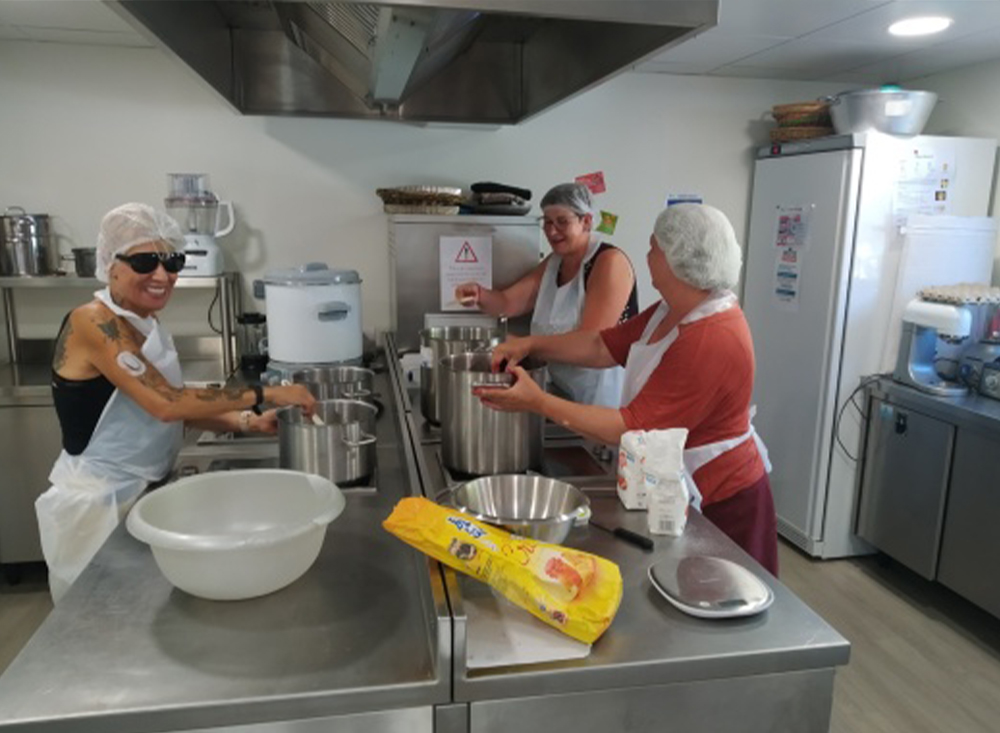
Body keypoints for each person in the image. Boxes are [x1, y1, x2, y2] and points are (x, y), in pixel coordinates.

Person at [35, 202, 317, 602]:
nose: (162, 275)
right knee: (101, 625)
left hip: (144, 492)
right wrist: (266, 393)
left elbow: (164, 415)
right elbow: (166, 403)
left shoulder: (145, 323)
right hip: (99, 507)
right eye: (146, 261)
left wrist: (246, 423)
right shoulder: (92, 321)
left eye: (173, 261)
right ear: (110, 265)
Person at [475, 204, 778, 575]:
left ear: (675, 260)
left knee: (726, 608)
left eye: (653, 248)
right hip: (674, 481)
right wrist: (530, 344)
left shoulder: (711, 336)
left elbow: (633, 426)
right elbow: (602, 346)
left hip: (722, 501)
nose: (646, 255)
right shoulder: (671, 309)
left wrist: (536, 401)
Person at [454, 183, 638, 407]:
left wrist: (527, 344)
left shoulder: (608, 263)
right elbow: (507, 303)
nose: (552, 231)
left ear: (586, 221)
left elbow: (591, 344)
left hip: (603, 399)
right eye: (547, 222)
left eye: (562, 221)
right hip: (561, 393)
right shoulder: (555, 263)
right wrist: (479, 294)